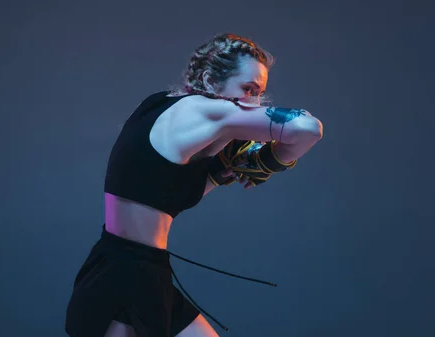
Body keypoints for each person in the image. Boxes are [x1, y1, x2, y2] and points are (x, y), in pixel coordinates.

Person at [64, 33, 324, 337]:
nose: (253, 102)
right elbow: (307, 128)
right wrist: (265, 162)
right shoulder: (208, 110)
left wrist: (228, 167)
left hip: (142, 269)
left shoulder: (161, 107)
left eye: (259, 93)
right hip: (123, 276)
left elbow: (162, 190)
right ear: (210, 81)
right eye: (247, 89)